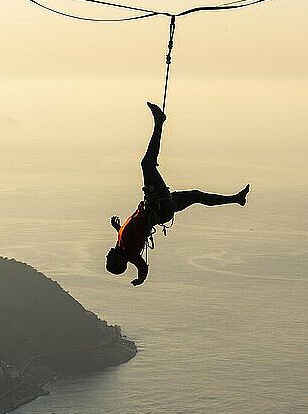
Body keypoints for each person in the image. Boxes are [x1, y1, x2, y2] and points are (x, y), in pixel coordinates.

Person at [106, 102, 250, 285]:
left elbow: (131, 233)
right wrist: (139, 279)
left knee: (197, 195)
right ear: (120, 262)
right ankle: (159, 122)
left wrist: (117, 228)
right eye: (110, 261)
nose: (107, 256)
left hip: (162, 207)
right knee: (147, 164)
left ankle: (237, 199)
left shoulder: (122, 244)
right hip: (159, 204)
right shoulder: (130, 253)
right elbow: (142, 266)